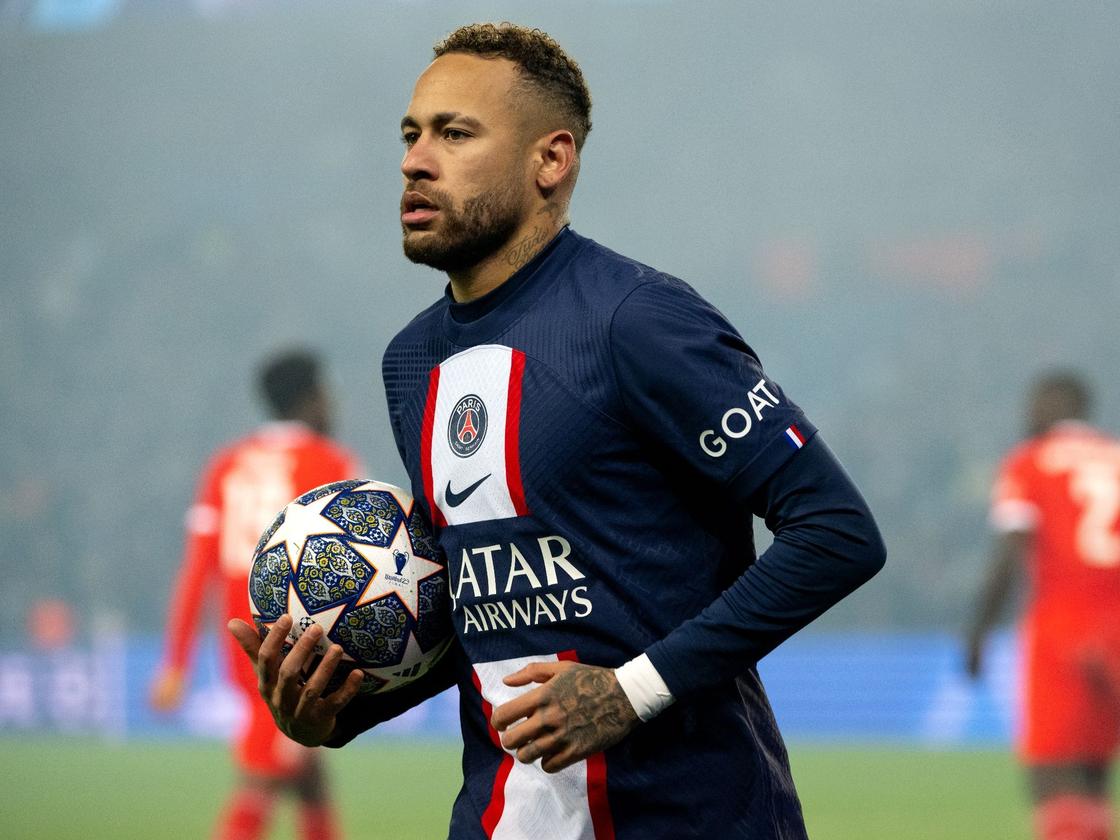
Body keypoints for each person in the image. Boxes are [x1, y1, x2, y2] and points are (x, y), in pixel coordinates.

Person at [230, 23, 886, 839]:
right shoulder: (411, 362)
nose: (415, 160)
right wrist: (340, 714)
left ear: (551, 160)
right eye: (410, 134)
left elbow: (836, 532)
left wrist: (628, 692)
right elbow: (485, 617)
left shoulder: (636, 319)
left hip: (691, 817)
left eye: (454, 134)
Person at [152, 349, 361, 840]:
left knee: (309, 779)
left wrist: (177, 663)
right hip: (300, 647)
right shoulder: (333, 462)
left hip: (241, 645)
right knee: (263, 778)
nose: (332, 404)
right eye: (326, 394)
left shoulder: (226, 465)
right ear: (310, 398)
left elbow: (197, 569)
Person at [966, 371, 1120, 840]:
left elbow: (1010, 552)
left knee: (1054, 776)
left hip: (1062, 625)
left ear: (1056, 404)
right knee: (1095, 773)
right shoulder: (1115, 457)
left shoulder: (1030, 462)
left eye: (1035, 403)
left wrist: (978, 630)